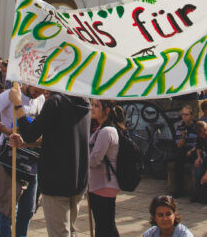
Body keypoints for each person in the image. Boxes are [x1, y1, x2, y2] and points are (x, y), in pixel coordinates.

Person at [8, 85, 90, 237]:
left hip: (57, 180)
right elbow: (58, 136)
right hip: (78, 178)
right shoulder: (83, 101)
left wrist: (18, 104)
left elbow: (30, 133)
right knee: (70, 230)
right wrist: (25, 143)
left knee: (60, 233)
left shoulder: (55, 102)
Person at [0, 84, 45, 237]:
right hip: (10, 155)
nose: (37, 93)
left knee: (28, 208)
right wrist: (5, 130)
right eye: (36, 88)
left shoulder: (40, 99)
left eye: (41, 90)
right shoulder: (11, 94)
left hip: (31, 156)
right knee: (8, 209)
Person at [89, 100, 124, 237]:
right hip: (100, 183)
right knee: (104, 225)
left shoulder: (107, 131)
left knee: (105, 226)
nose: (92, 108)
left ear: (107, 110)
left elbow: (94, 160)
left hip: (103, 184)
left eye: (96, 106)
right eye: (92, 105)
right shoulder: (102, 128)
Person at [171, 105, 198, 198]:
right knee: (177, 159)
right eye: (183, 115)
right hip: (184, 148)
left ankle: (196, 192)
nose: (184, 117)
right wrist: (183, 136)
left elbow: (200, 143)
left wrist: (192, 150)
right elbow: (179, 145)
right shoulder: (180, 126)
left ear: (192, 115)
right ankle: (178, 189)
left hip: (195, 149)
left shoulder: (197, 125)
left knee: (196, 161)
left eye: (186, 114)